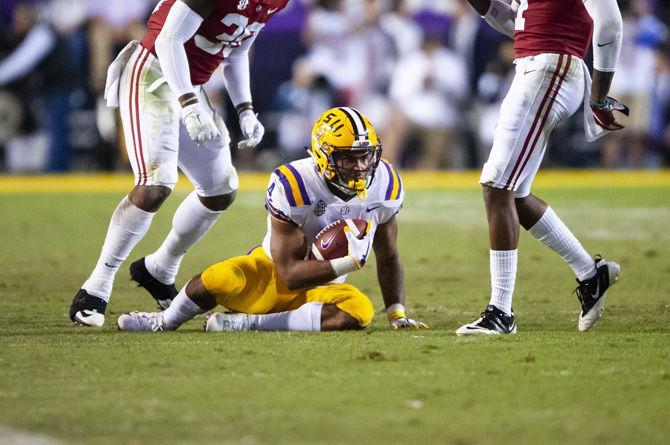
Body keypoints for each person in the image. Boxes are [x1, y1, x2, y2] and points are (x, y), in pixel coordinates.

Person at [69, 0, 288, 327]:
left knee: (219, 189)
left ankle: (160, 268)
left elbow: (237, 50)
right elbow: (168, 40)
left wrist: (245, 109)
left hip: (189, 83)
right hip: (153, 72)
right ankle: (97, 285)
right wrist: (188, 104)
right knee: (156, 183)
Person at [117, 107, 428, 333]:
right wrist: (349, 262)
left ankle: (246, 324)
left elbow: (388, 254)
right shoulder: (294, 183)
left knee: (359, 311)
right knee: (216, 279)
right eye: (348, 158)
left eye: (365, 156)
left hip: (324, 287)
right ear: (323, 156)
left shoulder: (384, 184)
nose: (360, 167)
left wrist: (396, 313)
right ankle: (164, 321)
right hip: (271, 273)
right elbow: (289, 275)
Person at [456, 0, 627, 335]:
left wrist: (600, 97)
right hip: (534, 65)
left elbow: (610, 22)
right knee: (513, 194)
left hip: (551, 64)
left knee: (497, 184)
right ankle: (592, 273)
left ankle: (500, 312)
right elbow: (517, 22)